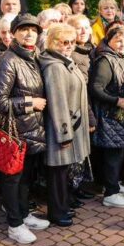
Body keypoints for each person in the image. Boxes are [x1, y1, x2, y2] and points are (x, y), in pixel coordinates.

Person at [0, 13, 50, 244]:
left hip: (33, 130)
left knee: (26, 179)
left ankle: (24, 215)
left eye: (33, 30)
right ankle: (15, 224)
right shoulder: (8, 59)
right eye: (23, 29)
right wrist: (29, 103)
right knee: (12, 179)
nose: (28, 33)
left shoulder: (34, 57)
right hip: (15, 132)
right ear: (13, 33)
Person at [40, 24, 91, 226]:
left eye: (71, 42)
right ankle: (56, 212)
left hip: (72, 125)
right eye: (64, 42)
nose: (69, 46)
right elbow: (58, 102)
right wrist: (64, 135)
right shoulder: (54, 67)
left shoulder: (64, 62)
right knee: (58, 174)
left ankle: (62, 206)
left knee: (63, 172)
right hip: (61, 129)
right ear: (53, 43)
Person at [90, 26, 124, 207]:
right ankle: (110, 194)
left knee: (118, 152)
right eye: (118, 41)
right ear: (109, 41)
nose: (122, 44)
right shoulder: (105, 60)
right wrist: (117, 101)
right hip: (110, 116)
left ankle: (114, 184)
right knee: (112, 155)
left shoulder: (123, 58)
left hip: (122, 118)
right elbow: (96, 88)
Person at [65, 14, 97, 203]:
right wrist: (90, 117)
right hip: (77, 111)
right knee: (73, 156)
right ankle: (69, 192)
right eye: (79, 27)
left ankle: (77, 188)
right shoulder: (73, 54)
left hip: (87, 107)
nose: (84, 31)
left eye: (86, 27)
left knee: (82, 155)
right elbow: (80, 90)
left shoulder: (90, 51)